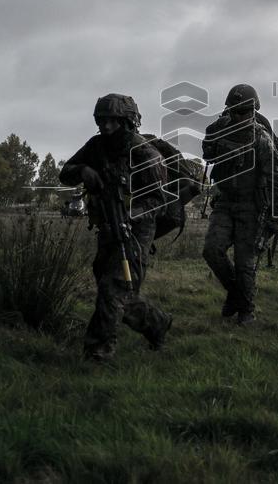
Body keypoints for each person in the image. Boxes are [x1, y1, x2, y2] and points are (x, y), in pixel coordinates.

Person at [59, 93, 173, 361]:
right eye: (102, 121)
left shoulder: (145, 153)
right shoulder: (96, 146)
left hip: (136, 233)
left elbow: (160, 201)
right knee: (117, 291)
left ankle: (98, 353)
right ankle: (157, 323)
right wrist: (84, 171)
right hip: (108, 228)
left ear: (128, 122)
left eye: (113, 121)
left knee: (113, 290)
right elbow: (66, 173)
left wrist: (131, 214)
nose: (106, 126)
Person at [201, 84, 278, 324]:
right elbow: (207, 154)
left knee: (244, 261)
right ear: (229, 110)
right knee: (211, 250)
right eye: (236, 111)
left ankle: (246, 311)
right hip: (226, 202)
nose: (240, 116)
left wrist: (277, 216)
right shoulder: (219, 130)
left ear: (253, 111)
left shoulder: (261, 139)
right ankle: (236, 294)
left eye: (245, 112)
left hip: (252, 206)